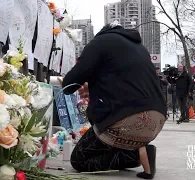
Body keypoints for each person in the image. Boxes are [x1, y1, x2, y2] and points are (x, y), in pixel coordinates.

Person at [60, 21, 167, 179]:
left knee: (79, 161)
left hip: (128, 120)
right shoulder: (140, 49)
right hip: (156, 119)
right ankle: (138, 150)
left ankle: (136, 155)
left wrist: (75, 82)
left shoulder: (99, 42)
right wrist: (94, 88)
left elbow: (69, 84)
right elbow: (125, 82)